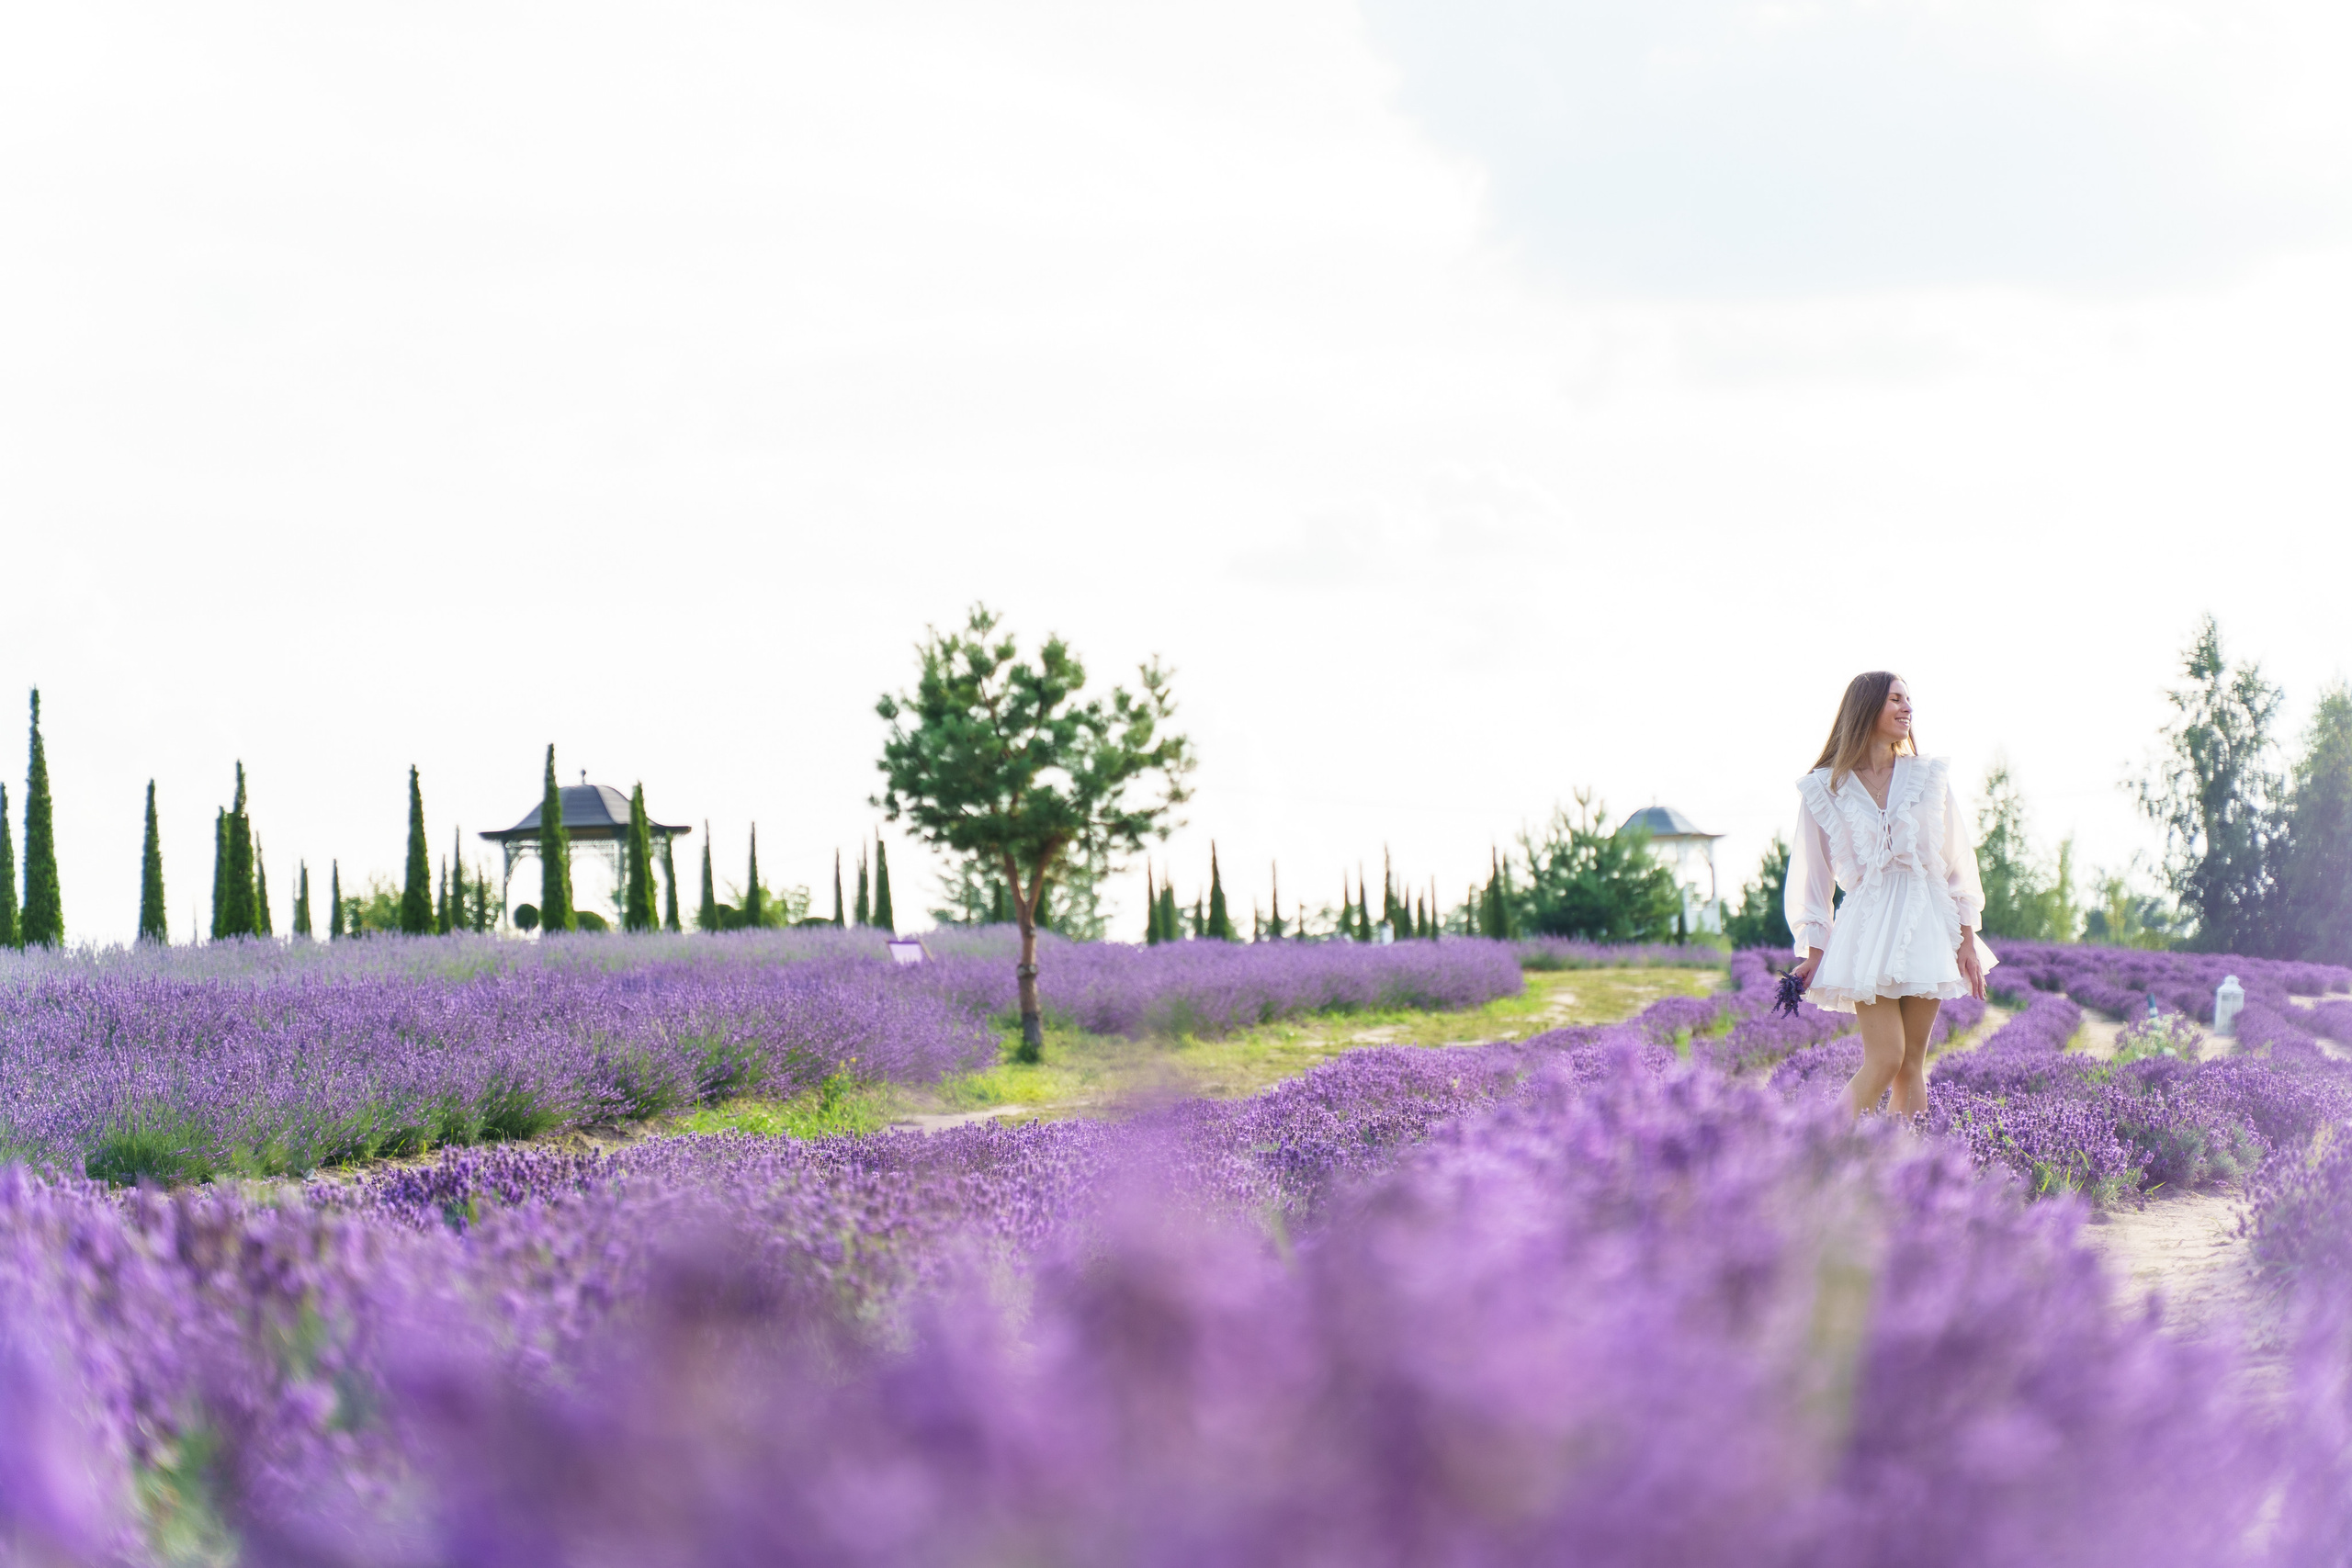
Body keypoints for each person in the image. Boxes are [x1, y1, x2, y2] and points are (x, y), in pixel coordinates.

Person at [1785, 671, 1996, 1119]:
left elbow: (1957, 861)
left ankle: (1904, 1174)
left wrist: (1967, 939)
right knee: (1885, 1058)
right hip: (1867, 930)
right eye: (1895, 699)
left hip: (1927, 920)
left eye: (1908, 700)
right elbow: (1814, 877)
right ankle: (1816, 1150)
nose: (1906, 708)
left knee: (1910, 1065)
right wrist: (1815, 950)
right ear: (1866, 708)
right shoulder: (1826, 787)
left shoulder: (1928, 777)